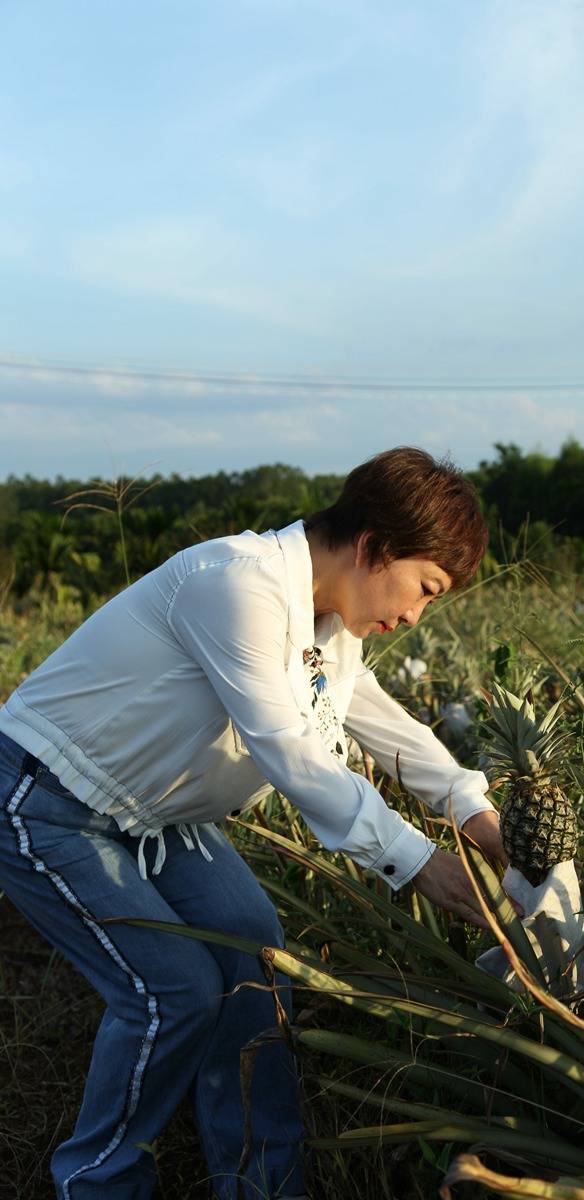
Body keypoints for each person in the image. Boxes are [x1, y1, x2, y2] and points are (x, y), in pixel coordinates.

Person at [0, 446, 506, 1200]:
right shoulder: (238, 586)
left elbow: (386, 728)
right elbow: (292, 755)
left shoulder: (329, 625)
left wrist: (476, 812)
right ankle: (97, 1183)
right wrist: (420, 864)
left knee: (256, 963)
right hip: (48, 798)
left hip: (157, 817)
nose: (413, 615)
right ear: (373, 548)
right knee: (168, 994)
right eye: (424, 589)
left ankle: (263, 1184)